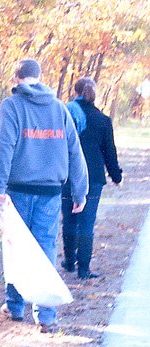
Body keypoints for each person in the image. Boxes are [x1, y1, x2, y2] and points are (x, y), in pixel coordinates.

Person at [0, 58, 89, 333]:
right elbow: (74, 150)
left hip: (17, 190)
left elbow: (3, 147)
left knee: (14, 245)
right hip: (50, 192)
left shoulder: (11, 107)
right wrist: (80, 190)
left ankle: (15, 305)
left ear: (16, 78)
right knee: (45, 248)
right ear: (40, 77)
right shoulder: (58, 108)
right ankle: (46, 315)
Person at [62, 77, 123, 279]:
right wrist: (116, 176)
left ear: (74, 92)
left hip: (68, 175)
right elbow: (109, 152)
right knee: (87, 222)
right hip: (93, 178)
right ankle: (84, 270)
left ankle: (69, 262)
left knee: (69, 219)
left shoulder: (65, 115)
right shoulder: (103, 120)